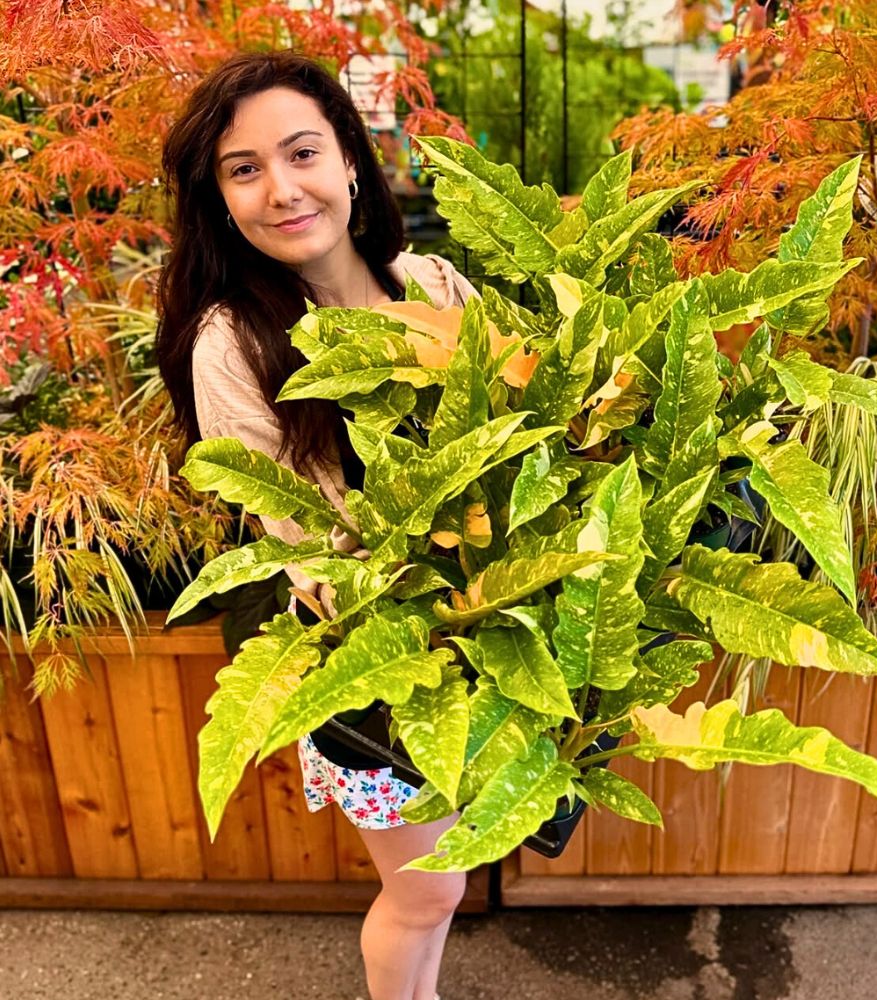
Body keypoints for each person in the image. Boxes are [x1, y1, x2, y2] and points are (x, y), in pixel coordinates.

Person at [156, 51, 475, 1000]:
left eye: (301, 153)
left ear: (350, 162)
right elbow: (302, 540)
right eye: (243, 169)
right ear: (217, 198)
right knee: (426, 893)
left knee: (444, 883)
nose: (281, 189)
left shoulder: (432, 284)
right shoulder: (235, 340)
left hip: (484, 632)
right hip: (368, 658)